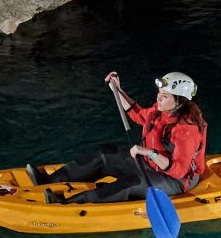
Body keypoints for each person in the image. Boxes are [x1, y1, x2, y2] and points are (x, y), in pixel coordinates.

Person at [27, 72, 208, 204]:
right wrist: (118, 90)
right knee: (103, 154)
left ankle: (68, 203)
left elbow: (178, 171)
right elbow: (139, 115)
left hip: (174, 180)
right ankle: (49, 181)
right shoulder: (163, 110)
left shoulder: (187, 130)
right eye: (159, 94)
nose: (158, 99)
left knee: (130, 183)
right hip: (148, 162)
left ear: (179, 101)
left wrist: (149, 153)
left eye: (164, 96)